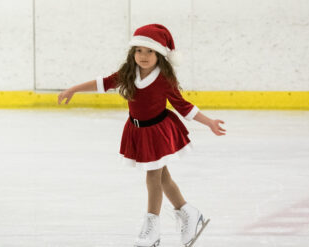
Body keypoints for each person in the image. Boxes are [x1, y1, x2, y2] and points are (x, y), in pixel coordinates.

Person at [58, 24, 226, 247]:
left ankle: (152, 228)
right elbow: (103, 83)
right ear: (132, 53)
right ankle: (188, 213)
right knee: (163, 177)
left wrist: (210, 123)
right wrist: (73, 89)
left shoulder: (165, 80)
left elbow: (184, 106)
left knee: (153, 177)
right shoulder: (128, 74)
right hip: (137, 131)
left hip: (157, 132)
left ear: (160, 55)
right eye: (139, 50)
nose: (144, 56)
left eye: (150, 51)